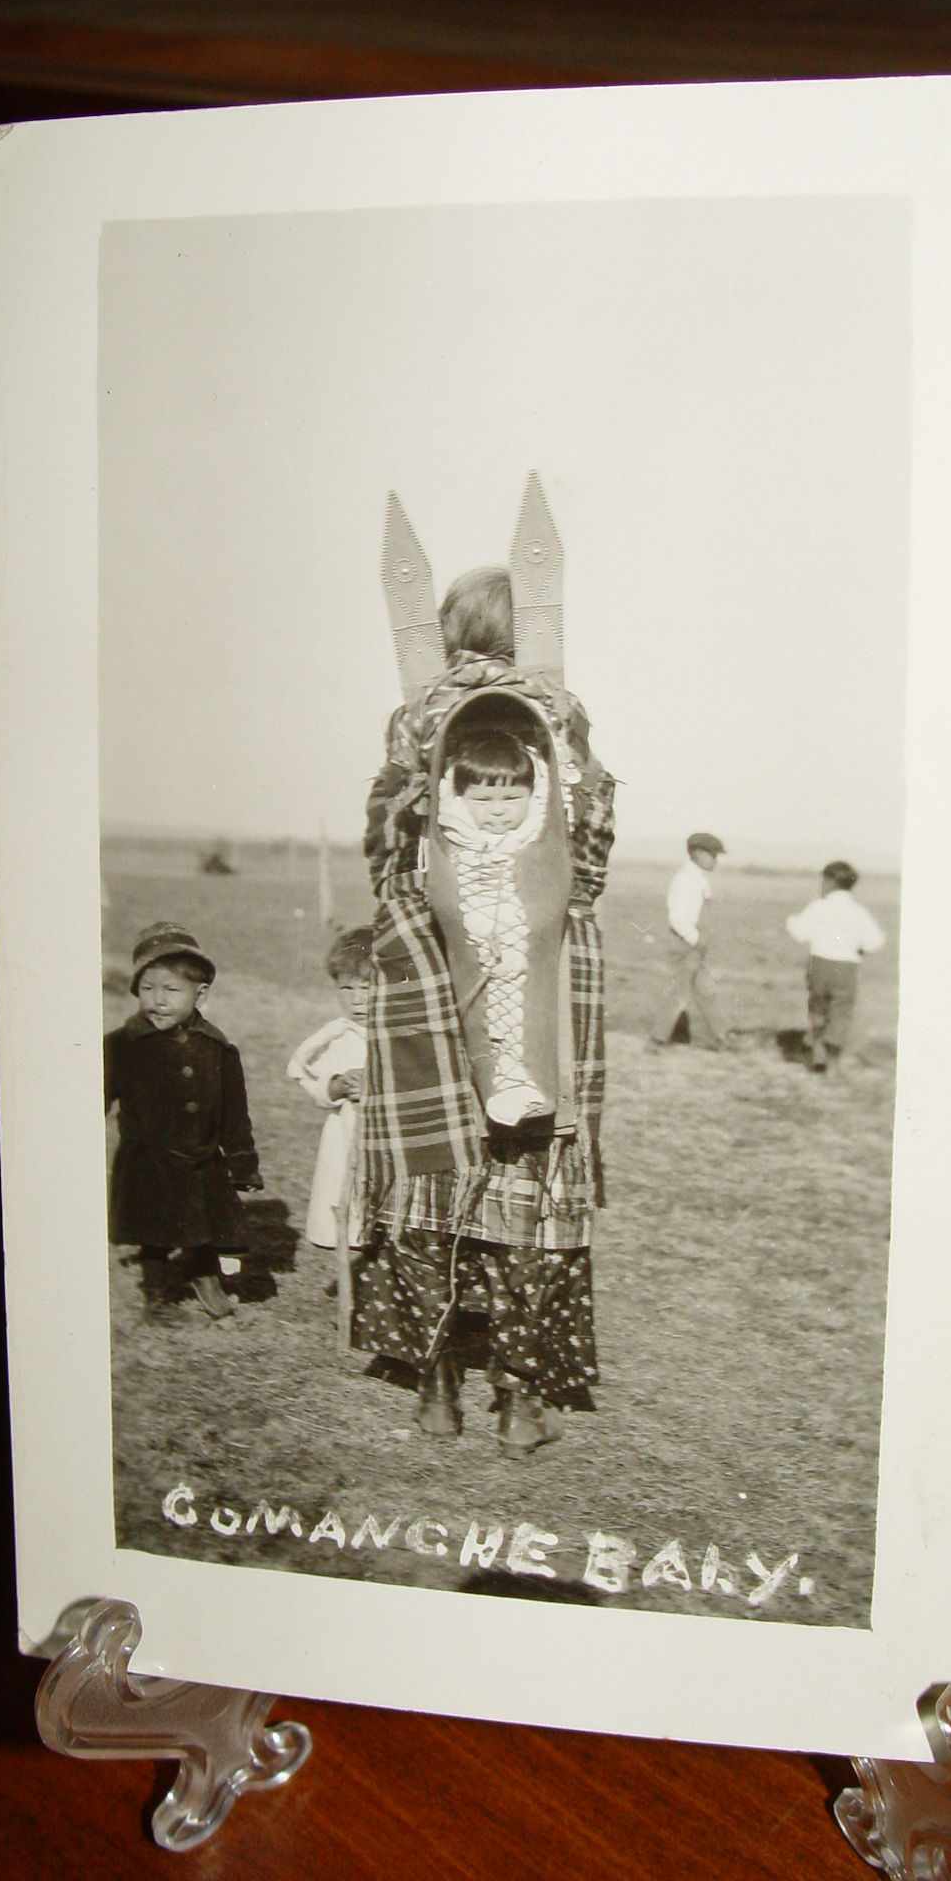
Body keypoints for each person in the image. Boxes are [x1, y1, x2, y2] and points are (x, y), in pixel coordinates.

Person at [351, 563, 616, 1456]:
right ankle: (519, 1398)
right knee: (527, 1186)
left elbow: (383, 850)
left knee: (438, 1184)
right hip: (524, 970)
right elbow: (592, 855)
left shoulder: (422, 714)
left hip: (440, 967)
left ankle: (441, 1392)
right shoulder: (558, 713)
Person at [104, 922, 263, 1319]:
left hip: (201, 1160)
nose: (158, 1000)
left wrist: (242, 1162)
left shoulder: (218, 1049)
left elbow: (234, 1114)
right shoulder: (121, 1047)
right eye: (147, 989)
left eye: (171, 990)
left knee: (204, 1225)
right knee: (153, 1234)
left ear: (200, 994)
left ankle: (204, 1277)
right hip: (147, 1160)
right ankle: (157, 1296)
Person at [436, 726, 554, 1128]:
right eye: (483, 800)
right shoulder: (456, 838)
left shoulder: (535, 838)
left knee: (519, 1014)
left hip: (521, 950)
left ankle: (516, 1082)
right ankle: (494, 1082)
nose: (498, 810)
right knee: (477, 1017)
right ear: (459, 798)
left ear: (532, 797)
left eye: (511, 798)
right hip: (471, 949)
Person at [287, 926, 371, 1250]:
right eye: (346, 988)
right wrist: (336, 1086)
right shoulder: (336, 1035)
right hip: (347, 1132)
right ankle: (351, 1266)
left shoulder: (397, 1034)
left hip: (387, 1137)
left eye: (367, 988)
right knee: (344, 1196)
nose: (357, 999)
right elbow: (306, 1075)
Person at [785, 859, 886, 1073]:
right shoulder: (859, 912)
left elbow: (800, 933)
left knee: (818, 1009)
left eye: (823, 880)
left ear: (830, 882)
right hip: (846, 967)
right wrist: (859, 949)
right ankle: (832, 1063)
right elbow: (874, 941)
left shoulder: (818, 907)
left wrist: (791, 921)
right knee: (841, 1012)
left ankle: (816, 1054)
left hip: (819, 964)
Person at [648, 831, 730, 1048]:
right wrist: (695, 940)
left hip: (694, 946)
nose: (715, 860)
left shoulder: (698, 879)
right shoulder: (687, 880)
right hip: (687, 945)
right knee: (679, 994)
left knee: (706, 992)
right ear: (697, 853)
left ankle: (723, 1038)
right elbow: (677, 918)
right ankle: (657, 1040)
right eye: (712, 855)